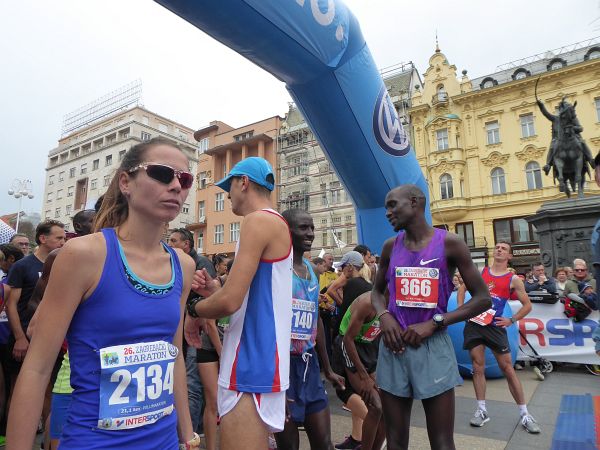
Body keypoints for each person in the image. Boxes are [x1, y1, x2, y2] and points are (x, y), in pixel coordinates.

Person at [7, 137, 200, 450]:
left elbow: (173, 355)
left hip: (163, 442)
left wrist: (188, 436)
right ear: (126, 181)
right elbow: (37, 367)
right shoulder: (83, 255)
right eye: (163, 174)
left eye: (185, 178)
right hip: (93, 442)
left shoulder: (184, 265)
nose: (177, 186)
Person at [371, 185, 492, 450]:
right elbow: (376, 293)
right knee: (395, 439)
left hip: (433, 347)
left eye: (393, 205)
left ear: (414, 203)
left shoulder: (450, 243)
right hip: (394, 347)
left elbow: (483, 298)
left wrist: (436, 322)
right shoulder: (390, 247)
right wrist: (384, 315)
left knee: (441, 441)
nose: (388, 213)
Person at [185, 157, 292, 450]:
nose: (226, 194)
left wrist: (193, 309)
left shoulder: (258, 220)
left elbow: (231, 302)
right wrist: (212, 292)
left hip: (251, 360)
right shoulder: (271, 221)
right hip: (259, 358)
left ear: (243, 182)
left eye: (228, 186)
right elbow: (243, 296)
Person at [275, 208, 344, 450]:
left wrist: (328, 369)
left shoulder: (311, 271)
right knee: (289, 447)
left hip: (309, 365)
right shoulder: (277, 269)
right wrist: (275, 383)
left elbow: (316, 324)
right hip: (282, 368)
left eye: (312, 227)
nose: (310, 233)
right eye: (303, 228)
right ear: (287, 230)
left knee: (324, 444)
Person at [458, 241, 540, 434]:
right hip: (475, 325)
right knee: (477, 367)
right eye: (497, 247)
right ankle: (482, 410)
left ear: (509, 256)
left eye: (504, 248)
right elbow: (462, 289)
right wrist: (463, 312)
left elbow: (527, 305)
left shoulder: (514, 279)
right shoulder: (481, 272)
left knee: (508, 369)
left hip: (495, 327)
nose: (499, 249)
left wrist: (511, 320)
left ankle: (525, 414)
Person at [4, 220, 66, 403]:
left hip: (50, 337)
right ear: (43, 238)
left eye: (64, 238)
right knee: (18, 389)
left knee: (49, 390)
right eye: (59, 238)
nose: (63, 242)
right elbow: (11, 305)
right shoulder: (23, 266)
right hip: (24, 336)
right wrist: (20, 338)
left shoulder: (62, 264)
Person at [168, 227, 217, 435]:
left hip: (200, 336)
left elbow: (212, 298)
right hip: (186, 333)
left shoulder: (201, 264)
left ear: (186, 245)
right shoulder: (176, 262)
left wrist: (193, 312)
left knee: (192, 385)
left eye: (173, 241)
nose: (169, 245)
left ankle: (191, 433)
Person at [333, 292, 384, 450]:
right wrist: (364, 376)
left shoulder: (396, 303)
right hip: (349, 344)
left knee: (384, 402)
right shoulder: (367, 303)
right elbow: (347, 339)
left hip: (368, 348)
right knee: (375, 406)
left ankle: (357, 439)